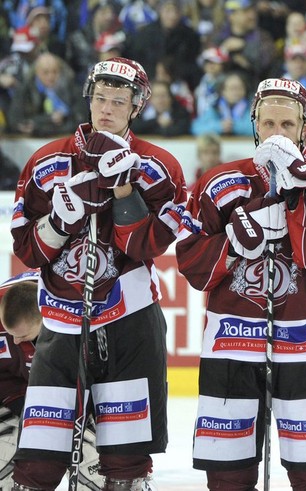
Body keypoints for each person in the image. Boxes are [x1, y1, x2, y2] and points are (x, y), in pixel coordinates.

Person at [10, 56, 187, 489]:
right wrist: (59, 223)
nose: (106, 108)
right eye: (101, 98)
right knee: (37, 460)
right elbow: (27, 251)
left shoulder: (158, 166)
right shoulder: (48, 160)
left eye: (119, 101)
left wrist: (124, 192)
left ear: (135, 107)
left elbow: (148, 246)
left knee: (126, 463)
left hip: (130, 324)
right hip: (61, 325)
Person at [176, 77, 306, 490]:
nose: (277, 135)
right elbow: (192, 264)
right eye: (269, 124)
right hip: (231, 345)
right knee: (227, 476)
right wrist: (235, 243)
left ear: (305, 129)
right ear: (254, 124)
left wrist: (296, 198)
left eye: (287, 126)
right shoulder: (218, 182)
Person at [0, 272, 103, 490]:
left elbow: (107, 374)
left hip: (73, 397)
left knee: (92, 461)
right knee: (5, 449)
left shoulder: (81, 314)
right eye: (12, 335)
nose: (16, 341)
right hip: (15, 396)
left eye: (24, 336)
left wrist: (84, 411)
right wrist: (22, 404)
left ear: (45, 319)